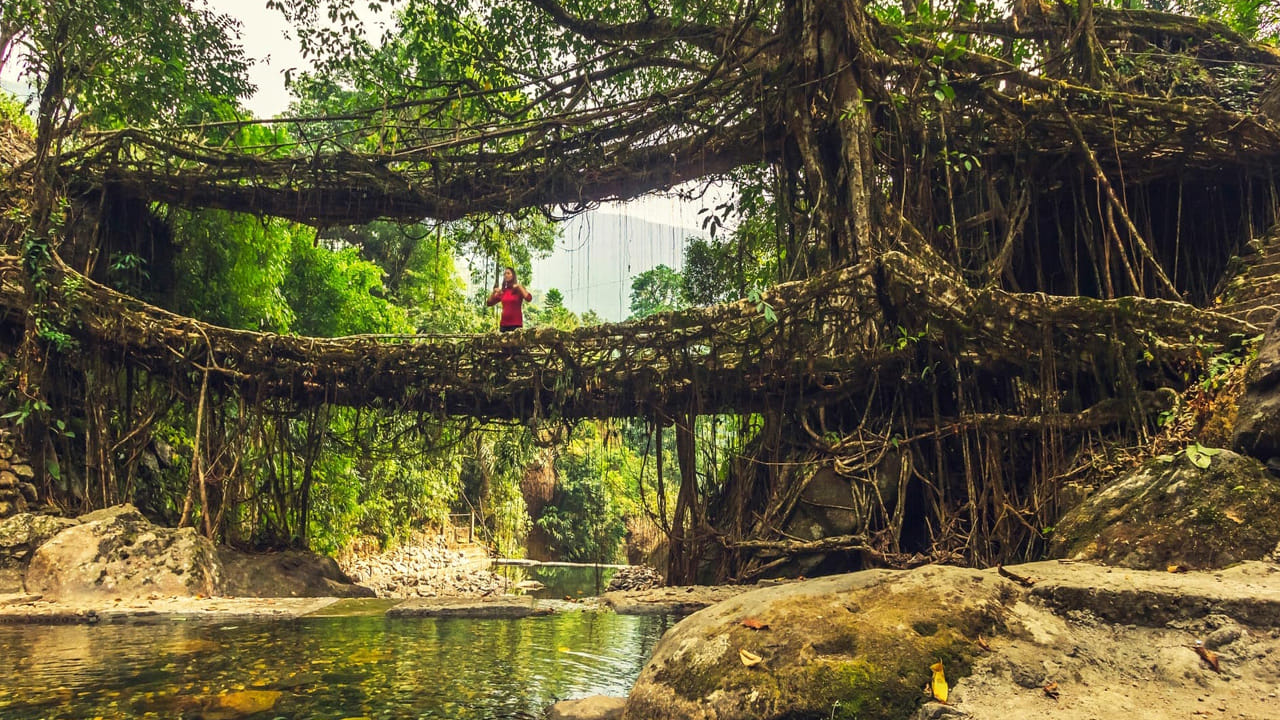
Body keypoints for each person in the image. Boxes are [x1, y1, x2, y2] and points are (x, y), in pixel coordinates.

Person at [486, 266, 533, 332]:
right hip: (504, 325)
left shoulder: (518, 290)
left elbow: (529, 298)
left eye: (508, 273)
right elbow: (489, 303)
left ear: (513, 276)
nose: (506, 275)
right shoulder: (503, 291)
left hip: (516, 325)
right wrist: (494, 292)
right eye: (505, 274)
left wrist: (519, 286)